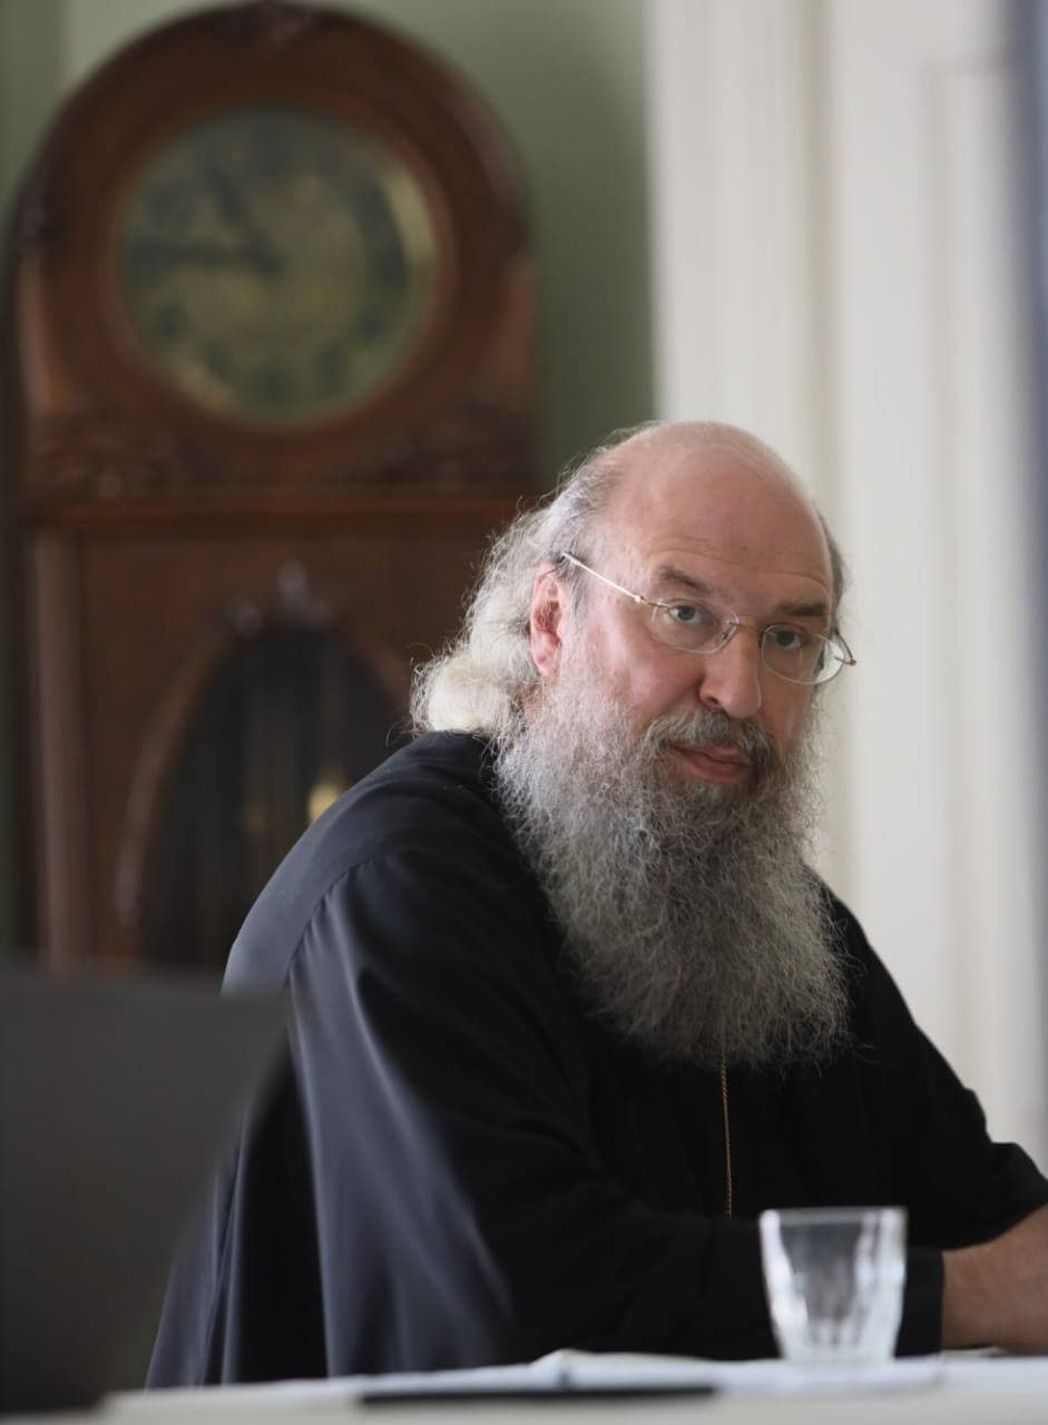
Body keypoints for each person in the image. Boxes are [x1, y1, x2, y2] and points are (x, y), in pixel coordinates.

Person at [149, 420, 1048, 1386]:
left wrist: (998, 1272)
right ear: (551, 621)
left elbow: (1000, 1226)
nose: (740, 689)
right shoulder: (399, 885)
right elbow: (534, 1299)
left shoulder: (775, 920)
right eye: (685, 614)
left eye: (789, 637)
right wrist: (954, 1294)